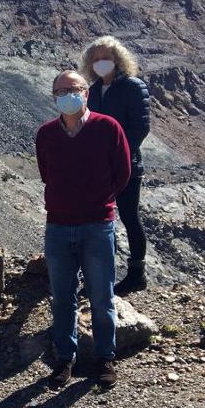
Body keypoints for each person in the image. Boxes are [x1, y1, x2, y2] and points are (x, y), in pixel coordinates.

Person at [36, 71, 132, 389]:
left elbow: (123, 173)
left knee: (102, 296)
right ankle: (65, 359)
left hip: (97, 225)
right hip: (59, 226)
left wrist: (99, 202)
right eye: (59, 91)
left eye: (72, 89)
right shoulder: (46, 134)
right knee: (63, 297)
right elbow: (46, 174)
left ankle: (105, 358)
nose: (66, 96)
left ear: (85, 93)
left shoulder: (107, 128)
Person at [82, 36, 152, 295]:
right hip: (98, 170)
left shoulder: (133, 87)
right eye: (96, 59)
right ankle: (101, 277)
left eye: (106, 58)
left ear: (118, 59)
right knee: (101, 221)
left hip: (127, 168)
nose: (101, 63)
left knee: (130, 217)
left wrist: (118, 157)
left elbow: (140, 127)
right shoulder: (93, 90)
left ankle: (136, 275)